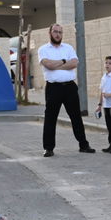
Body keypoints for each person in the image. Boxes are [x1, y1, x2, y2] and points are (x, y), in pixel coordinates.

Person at [37, 23, 92, 156]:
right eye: (55, 32)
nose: (58, 35)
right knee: (50, 118)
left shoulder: (68, 48)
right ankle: (48, 148)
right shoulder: (43, 49)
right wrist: (63, 61)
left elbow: (74, 63)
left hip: (70, 88)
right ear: (50, 33)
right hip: (53, 88)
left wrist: (56, 65)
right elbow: (48, 65)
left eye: (60, 32)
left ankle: (83, 145)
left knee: (76, 117)